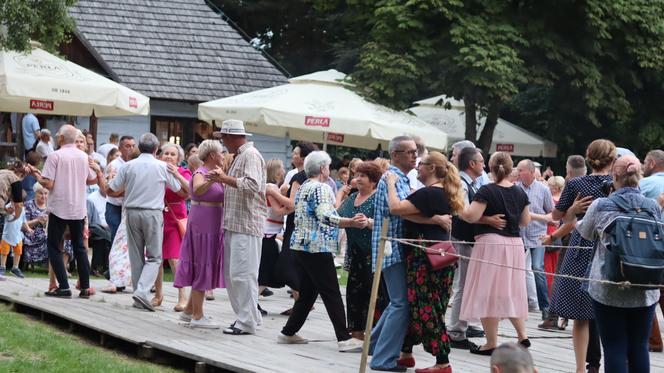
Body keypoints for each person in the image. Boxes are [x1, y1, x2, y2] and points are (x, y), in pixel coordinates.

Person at [577, 155, 661, 373]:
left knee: (614, 346)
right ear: (639, 176)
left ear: (614, 175)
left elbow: (586, 233)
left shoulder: (602, 204)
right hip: (645, 287)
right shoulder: (652, 206)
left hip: (608, 287)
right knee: (639, 346)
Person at [277, 151, 366, 352]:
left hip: (302, 246)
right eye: (328, 166)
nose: (329, 169)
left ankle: (288, 332)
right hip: (317, 247)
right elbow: (326, 216)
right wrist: (350, 222)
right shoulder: (322, 188)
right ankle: (344, 339)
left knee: (308, 293)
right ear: (323, 168)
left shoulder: (304, 187)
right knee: (331, 292)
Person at [385, 151, 464, 373]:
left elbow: (395, 208)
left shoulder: (428, 193)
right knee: (420, 305)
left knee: (427, 307)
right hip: (441, 256)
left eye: (421, 164)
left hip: (426, 259)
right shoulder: (441, 193)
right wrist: (431, 219)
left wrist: (391, 184)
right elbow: (412, 215)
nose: (417, 167)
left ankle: (442, 362)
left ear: (431, 168)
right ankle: (406, 353)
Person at [548, 139, 616, 373]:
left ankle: (580, 368)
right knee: (608, 312)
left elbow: (558, 216)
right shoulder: (617, 184)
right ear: (612, 158)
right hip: (610, 246)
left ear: (589, 157)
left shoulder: (576, 183)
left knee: (580, 314)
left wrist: (572, 211)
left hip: (582, 244)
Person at [100, 133, 188, 311]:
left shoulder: (128, 166)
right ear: (156, 150)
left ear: (138, 148)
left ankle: (139, 294)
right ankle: (142, 291)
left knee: (136, 255)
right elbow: (180, 191)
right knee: (155, 256)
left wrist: (107, 179)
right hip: (153, 213)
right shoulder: (162, 167)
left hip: (132, 212)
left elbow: (111, 190)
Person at [458, 151, 532, 356]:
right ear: (511, 169)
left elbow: (471, 216)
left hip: (490, 243)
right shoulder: (519, 192)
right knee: (510, 290)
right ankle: (522, 335)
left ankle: (491, 342)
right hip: (515, 245)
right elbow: (525, 222)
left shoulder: (486, 190)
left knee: (487, 292)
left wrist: (457, 205)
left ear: (490, 167)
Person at [206, 119, 267, 335]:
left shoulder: (250, 155)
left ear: (231, 137)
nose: (223, 142)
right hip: (236, 222)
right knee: (235, 274)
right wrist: (223, 179)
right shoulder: (242, 155)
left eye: (223, 138)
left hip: (246, 224)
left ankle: (246, 321)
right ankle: (250, 317)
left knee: (242, 274)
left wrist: (224, 178)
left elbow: (252, 185)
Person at [29, 124, 98, 298]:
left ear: (60, 138)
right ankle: (85, 288)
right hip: (78, 208)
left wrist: (37, 176)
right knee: (80, 248)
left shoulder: (55, 156)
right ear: (75, 139)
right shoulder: (84, 156)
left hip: (59, 207)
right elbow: (91, 180)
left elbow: (49, 183)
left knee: (53, 246)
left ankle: (64, 286)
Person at [369, 135, 417, 371]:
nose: (415, 155)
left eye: (416, 151)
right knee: (400, 305)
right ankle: (382, 360)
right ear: (395, 154)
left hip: (391, 247)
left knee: (395, 303)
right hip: (391, 248)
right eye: (410, 152)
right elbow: (399, 209)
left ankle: (374, 346)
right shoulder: (394, 178)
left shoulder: (401, 179)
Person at [448, 147, 499, 350]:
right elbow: (463, 213)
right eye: (480, 161)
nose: (484, 165)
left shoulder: (471, 182)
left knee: (466, 284)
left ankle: (460, 327)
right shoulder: (461, 183)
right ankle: (456, 331)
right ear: (471, 164)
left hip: (467, 239)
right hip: (462, 239)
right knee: (463, 284)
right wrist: (489, 219)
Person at [174, 139, 226, 329]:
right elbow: (196, 189)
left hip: (211, 224)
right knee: (201, 265)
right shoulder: (201, 172)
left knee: (204, 264)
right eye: (220, 153)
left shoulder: (217, 172)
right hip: (203, 225)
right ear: (212, 155)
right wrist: (213, 179)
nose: (222, 155)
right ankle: (198, 315)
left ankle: (188, 312)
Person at [337, 161, 382, 340]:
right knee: (354, 292)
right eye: (357, 175)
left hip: (372, 253)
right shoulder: (352, 196)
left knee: (373, 293)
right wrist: (341, 193)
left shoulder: (378, 197)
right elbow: (337, 216)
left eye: (363, 176)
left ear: (373, 180)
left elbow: (386, 221)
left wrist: (369, 223)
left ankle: (374, 334)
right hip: (355, 252)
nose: (358, 179)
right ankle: (356, 332)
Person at [277, 141, 317, 315]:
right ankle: (300, 303)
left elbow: (293, 205)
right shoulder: (313, 176)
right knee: (296, 265)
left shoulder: (298, 177)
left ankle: (303, 303)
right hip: (308, 225)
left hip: (296, 225)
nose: (292, 155)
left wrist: (273, 193)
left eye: (295, 153)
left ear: (303, 158)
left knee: (287, 265)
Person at [153, 143, 191, 311]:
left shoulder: (184, 171)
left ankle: (183, 297)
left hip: (176, 218)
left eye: (172, 154)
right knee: (156, 258)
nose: (168, 156)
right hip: (158, 215)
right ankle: (158, 295)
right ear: (160, 156)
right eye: (165, 153)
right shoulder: (156, 170)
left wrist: (175, 174)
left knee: (175, 259)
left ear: (179, 159)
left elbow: (190, 191)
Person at [516, 159, 554, 320]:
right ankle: (515, 305)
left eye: (521, 170)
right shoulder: (515, 189)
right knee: (514, 269)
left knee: (537, 268)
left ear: (531, 172)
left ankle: (545, 307)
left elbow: (552, 214)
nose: (518, 173)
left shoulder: (543, 190)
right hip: (518, 235)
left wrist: (537, 217)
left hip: (537, 236)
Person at [258, 159, 288, 311]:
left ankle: (253, 303)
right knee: (266, 272)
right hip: (268, 234)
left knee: (265, 271)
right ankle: (252, 303)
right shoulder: (271, 187)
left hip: (267, 234)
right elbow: (278, 211)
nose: (284, 170)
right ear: (276, 171)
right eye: (282, 167)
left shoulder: (272, 187)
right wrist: (294, 206)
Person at [104, 135, 136, 244]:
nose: (131, 148)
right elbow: (109, 190)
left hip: (129, 207)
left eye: (133, 146)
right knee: (116, 236)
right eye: (127, 146)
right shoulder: (113, 165)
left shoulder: (136, 164)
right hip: (115, 206)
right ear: (120, 148)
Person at [22, 183, 49, 267]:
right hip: (32, 235)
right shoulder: (28, 205)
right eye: (41, 193)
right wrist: (37, 220)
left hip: (48, 232)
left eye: (46, 193)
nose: (43, 196)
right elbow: (23, 225)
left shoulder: (50, 206)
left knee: (64, 239)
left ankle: (60, 267)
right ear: (35, 193)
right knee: (50, 239)